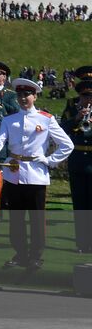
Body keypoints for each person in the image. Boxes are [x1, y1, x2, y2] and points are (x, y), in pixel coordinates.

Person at [0, 77, 74, 271]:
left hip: (36, 175)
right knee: (16, 218)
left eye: (27, 95)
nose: (23, 98)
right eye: (20, 95)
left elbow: (67, 144)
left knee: (37, 218)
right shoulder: (9, 120)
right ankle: (20, 253)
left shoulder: (46, 119)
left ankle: (36, 255)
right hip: (13, 174)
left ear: (35, 96)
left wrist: (49, 161)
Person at [59, 75, 92, 254]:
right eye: (85, 96)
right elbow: (61, 130)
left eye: (90, 97)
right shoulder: (72, 109)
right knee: (80, 205)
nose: (88, 100)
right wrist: (77, 118)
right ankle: (82, 243)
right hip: (77, 161)